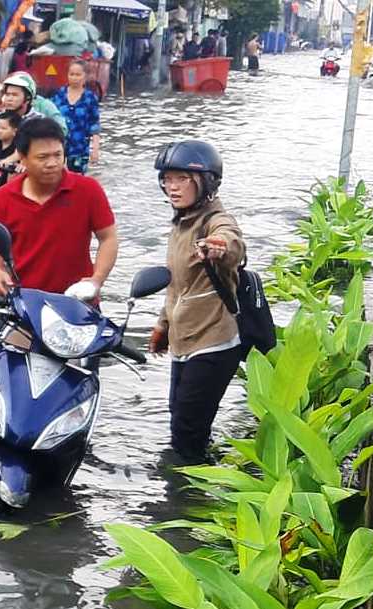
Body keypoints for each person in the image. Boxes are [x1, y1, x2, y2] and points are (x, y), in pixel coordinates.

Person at [146, 141, 245, 464]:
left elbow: (231, 243)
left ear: (206, 181)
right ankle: (197, 486)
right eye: (167, 179)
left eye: (181, 179)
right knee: (183, 423)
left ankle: (194, 499)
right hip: (184, 339)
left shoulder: (215, 220)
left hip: (214, 342)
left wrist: (219, 247)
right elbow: (178, 286)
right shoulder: (182, 222)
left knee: (186, 430)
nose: (171, 187)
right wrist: (163, 326)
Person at [0, 118, 118, 300]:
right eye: (42, 157)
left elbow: (108, 238)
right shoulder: (5, 196)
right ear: (22, 157)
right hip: (27, 303)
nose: (52, 163)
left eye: (58, 155)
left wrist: (96, 280)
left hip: (78, 302)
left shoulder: (87, 189)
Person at [0, 72, 64, 161]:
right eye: (7, 94)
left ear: (27, 98)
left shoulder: (38, 121)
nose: (9, 99)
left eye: (15, 95)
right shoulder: (0, 117)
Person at [52, 60, 101, 174]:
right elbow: (50, 118)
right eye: (71, 74)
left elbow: (95, 125)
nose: (74, 78)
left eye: (78, 75)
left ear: (85, 76)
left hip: (79, 148)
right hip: (58, 146)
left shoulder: (90, 98)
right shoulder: (59, 95)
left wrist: (95, 149)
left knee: (77, 181)